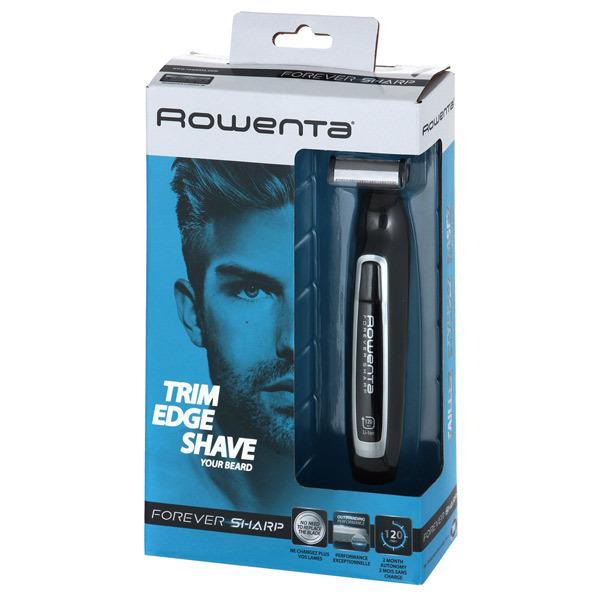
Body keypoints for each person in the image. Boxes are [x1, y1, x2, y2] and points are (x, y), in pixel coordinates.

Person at [171, 157, 295, 512]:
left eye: (327, 291)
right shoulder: (155, 484)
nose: (293, 341)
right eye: (251, 291)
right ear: (194, 315)